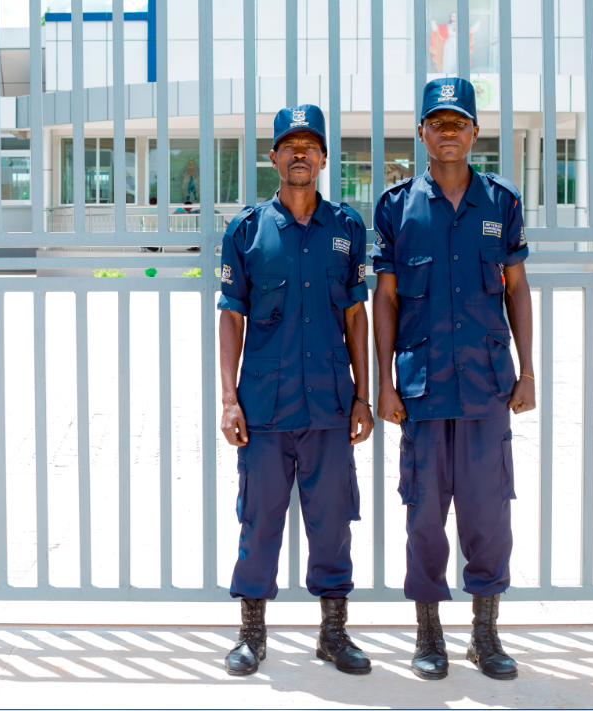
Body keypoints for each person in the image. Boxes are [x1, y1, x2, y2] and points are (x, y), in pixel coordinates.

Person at [370, 77, 535, 682]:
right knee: (423, 512)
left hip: (488, 385)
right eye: (436, 122)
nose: (447, 131)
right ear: (422, 133)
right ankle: (429, 632)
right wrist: (384, 383)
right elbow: (384, 299)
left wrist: (529, 370)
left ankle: (484, 634)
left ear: (473, 131)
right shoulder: (394, 207)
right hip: (421, 387)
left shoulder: (502, 202)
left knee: (488, 512)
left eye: (457, 121)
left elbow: (517, 290)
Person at [218, 104, 375, 677]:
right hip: (263, 405)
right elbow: (231, 316)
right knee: (259, 517)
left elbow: (356, 315)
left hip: (331, 404)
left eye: (311, 145)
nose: (301, 153)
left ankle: (333, 633)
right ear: (274, 157)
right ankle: (252, 634)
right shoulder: (247, 230)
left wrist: (364, 394)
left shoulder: (347, 228)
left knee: (332, 519)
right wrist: (230, 399)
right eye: (291, 144)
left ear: (324, 158)